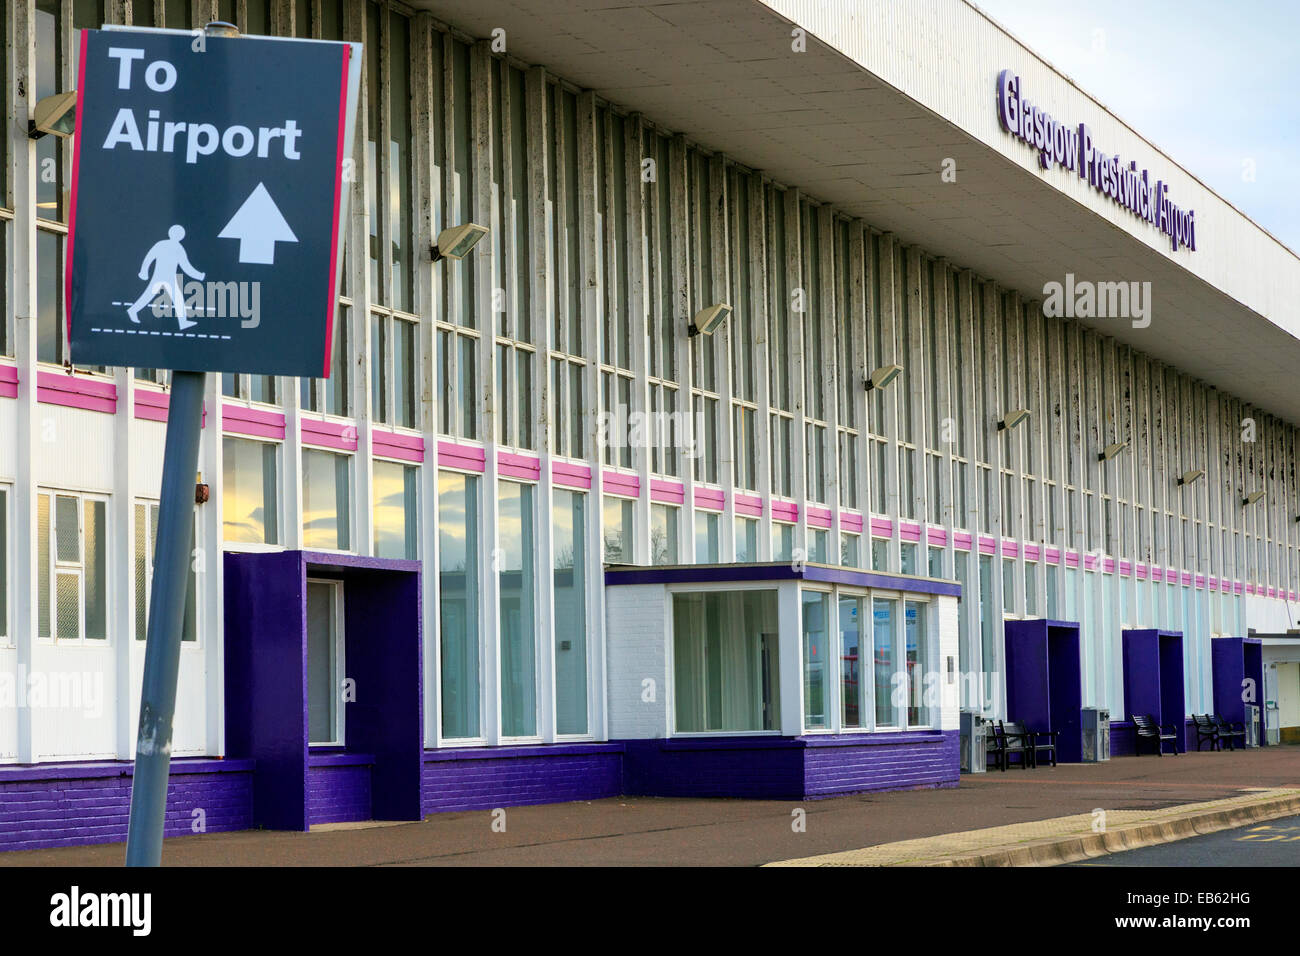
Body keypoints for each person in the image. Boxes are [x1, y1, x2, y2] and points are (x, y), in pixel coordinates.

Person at [126, 224, 205, 330]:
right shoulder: (173, 247)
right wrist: (199, 276)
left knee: (174, 298)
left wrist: (144, 271)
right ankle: (133, 310)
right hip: (162, 277)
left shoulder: (169, 246)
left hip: (166, 277)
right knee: (153, 296)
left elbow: (185, 266)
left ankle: (183, 322)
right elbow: (150, 258)